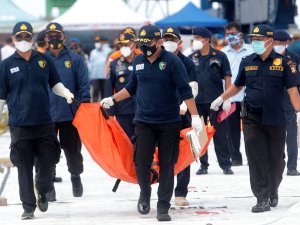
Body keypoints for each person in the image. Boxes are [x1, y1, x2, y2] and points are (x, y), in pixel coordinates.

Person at [100, 24, 203, 222]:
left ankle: (163, 206)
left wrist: (196, 116)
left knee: (167, 164)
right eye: (142, 43)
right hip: (144, 121)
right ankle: (144, 194)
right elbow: (131, 87)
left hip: (168, 122)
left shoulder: (173, 62)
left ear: (159, 42)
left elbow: (185, 90)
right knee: (141, 160)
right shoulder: (138, 60)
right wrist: (113, 99)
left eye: (149, 43)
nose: (145, 47)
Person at [210, 24, 300, 213]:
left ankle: (272, 188)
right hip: (252, 117)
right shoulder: (247, 61)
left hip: (276, 118)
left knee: (276, 161)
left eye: (259, 39)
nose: (255, 42)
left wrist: (299, 113)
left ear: (269, 40)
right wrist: (221, 98)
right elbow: (237, 86)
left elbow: (292, 90)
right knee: (256, 157)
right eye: (254, 39)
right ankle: (262, 197)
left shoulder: (284, 63)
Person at [0, 21, 74, 219]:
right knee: (23, 167)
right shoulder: (5, 66)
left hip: (44, 123)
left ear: (33, 38)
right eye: (20, 37)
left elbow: (55, 83)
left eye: (27, 37)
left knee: (48, 162)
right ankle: (28, 207)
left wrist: (65, 93)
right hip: (20, 125)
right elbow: (1, 96)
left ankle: (42, 189)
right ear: (14, 39)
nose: (24, 40)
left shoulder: (44, 60)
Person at [44, 22, 90, 198]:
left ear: (63, 37)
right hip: (46, 115)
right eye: (50, 36)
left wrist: (83, 106)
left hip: (69, 114)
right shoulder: (40, 59)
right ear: (46, 38)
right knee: (47, 152)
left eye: (57, 35)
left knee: (73, 152)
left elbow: (84, 85)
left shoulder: (75, 59)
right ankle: (49, 184)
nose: (54, 39)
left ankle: (76, 175)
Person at [162, 26, 198, 206]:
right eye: (166, 39)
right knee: (165, 154)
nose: (169, 42)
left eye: (172, 39)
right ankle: (164, 191)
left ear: (179, 42)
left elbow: (192, 87)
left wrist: (184, 106)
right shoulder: (156, 60)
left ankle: (181, 192)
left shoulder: (188, 63)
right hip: (161, 115)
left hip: (182, 114)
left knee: (185, 153)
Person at [190, 26, 233, 175]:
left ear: (207, 39)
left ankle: (225, 164)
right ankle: (203, 165)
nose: (195, 40)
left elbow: (227, 77)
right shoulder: (191, 57)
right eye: (194, 38)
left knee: (220, 134)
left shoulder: (220, 56)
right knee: (200, 134)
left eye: (198, 38)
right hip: (197, 103)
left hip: (216, 102)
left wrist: (227, 98)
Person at [222, 22, 253, 166]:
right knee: (232, 129)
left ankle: (252, 156)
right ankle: (235, 157)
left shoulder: (251, 51)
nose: (230, 37)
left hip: (248, 96)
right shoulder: (223, 53)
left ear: (240, 34)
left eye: (232, 34)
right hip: (231, 97)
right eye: (227, 35)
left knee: (250, 128)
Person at [273, 30, 300, 176]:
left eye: (281, 43)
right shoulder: (268, 56)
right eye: (276, 42)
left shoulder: (294, 58)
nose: (278, 45)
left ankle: (292, 166)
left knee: (291, 137)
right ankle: (276, 166)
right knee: (275, 137)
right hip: (273, 102)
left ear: (287, 43)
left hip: (290, 102)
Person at [104, 32, 140, 138]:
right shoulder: (114, 64)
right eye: (121, 45)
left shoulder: (142, 61)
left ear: (133, 44)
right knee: (125, 143)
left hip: (142, 110)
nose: (124, 47)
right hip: (123, 111)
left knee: (142, 143)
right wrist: (110, 113)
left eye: (126, 44)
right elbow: (108, 88)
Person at [89, 36, 111, 102]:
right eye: (96, 42)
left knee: (104, 93)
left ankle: (104, 109)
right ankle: (94, 109)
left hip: (104, 76)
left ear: (102, 42)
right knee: (95, 93)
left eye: (99, 42)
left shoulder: (108, 51)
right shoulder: (93, 52)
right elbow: (90, 64)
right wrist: (90, 76)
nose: (97, 43)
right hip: (95, 76)